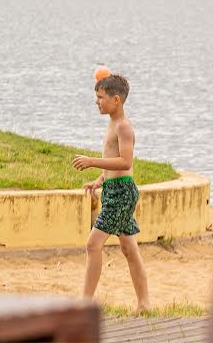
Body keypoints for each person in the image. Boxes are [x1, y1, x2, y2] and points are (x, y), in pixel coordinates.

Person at [71, 71, 151, 313]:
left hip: (122, 193)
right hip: (114, 190)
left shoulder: (124, 127)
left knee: (93, 245)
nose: (97, 101)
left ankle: (85, 304)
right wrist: (99, 181)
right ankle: (144, 303)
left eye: (101, 97)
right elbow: (112, 161)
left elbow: (125, 162)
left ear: (116, 100)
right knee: (129, 248)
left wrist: (92, 161)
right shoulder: (112, 124)